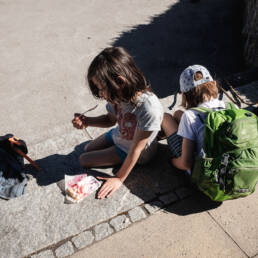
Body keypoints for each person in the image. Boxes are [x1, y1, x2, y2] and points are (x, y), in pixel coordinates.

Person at [72, 47, 164, 199]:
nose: (100, 94)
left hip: (131, 150)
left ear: (120, 82)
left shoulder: (148, 109)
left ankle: (117, 159)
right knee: (87, 148)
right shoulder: (119, 96)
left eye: (101, 89)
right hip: (118, 135)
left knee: (83, 160)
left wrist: (119, 178)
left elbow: (136, 150)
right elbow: (110, 120)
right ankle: (109, 147)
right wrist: (87, 122)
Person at [161, 65, 225, 173]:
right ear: (213, 84)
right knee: (177, 114)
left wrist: (172, 162)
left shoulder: (190, 116)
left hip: (206, 176)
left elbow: (186, 164)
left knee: (166, 118)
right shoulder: (226, 107)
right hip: (229, 168)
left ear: (185, 95)